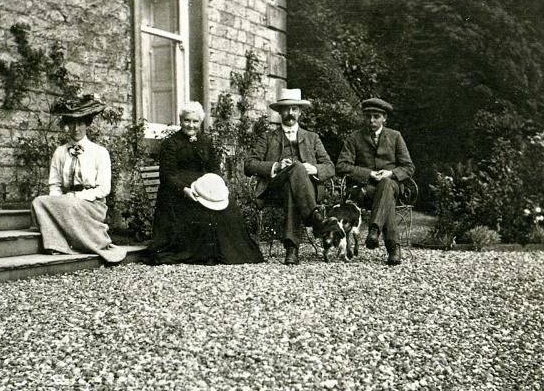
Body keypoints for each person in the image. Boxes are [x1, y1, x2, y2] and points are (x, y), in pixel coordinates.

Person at [147, 101, 263, 265]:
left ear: (200, 123)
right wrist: (184, 189)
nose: (191, 125)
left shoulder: (205, 142)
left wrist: (217, 184)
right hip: (177, 191)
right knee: (201, 212)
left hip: (204, 187)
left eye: (195, 122)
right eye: (187, 120)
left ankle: (227, 253)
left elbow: (214, 167)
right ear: (181, 120)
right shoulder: (170, 143)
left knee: (229, 208)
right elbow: (167, 175)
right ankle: (205, 253)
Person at [31, 94, 126, 263]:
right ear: (66, 126)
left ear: (87, 125)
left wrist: (77, 197)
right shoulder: (60, 152)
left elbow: (104, 188)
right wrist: (57, 202)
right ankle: (58, 245)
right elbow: (55, 184)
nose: (76, 128)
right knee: (38, 202)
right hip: (66, 201)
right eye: (72, 124)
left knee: (70, 204)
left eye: (80, 123)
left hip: (92, 203)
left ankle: (86, 241)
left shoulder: (99, 152)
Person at [244, 88, 335, 265]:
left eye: (294, 109)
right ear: (279, 112)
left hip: (303, 190)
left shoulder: (312, 137)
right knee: (293, 170)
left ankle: (292, 248)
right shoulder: (267, 137)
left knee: (292, 184)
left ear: (300, 112)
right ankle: (314, 217)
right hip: (273, 189)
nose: (290, 113)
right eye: (286, 109)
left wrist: (313, 169)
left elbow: (330, 167)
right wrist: (276, 166)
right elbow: (248, 164)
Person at [336, 97, 414, 266]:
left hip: (392, 185)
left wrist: (391, 173)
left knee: (385, 185)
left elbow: (408, 167)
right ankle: (393, 249)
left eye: (376, 116)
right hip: (365, 190)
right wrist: (369, 173)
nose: (371, 120)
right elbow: (341, 166)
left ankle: (375, 229)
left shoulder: (395, 136)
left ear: (384, 118)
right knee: (386, 200)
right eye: (368, 116)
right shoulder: (354, 138)